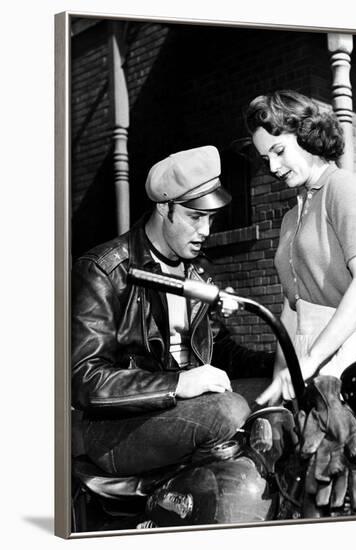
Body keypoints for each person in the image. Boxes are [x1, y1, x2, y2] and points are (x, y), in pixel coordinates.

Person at [71, 145, 273, 477]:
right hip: (117, 429)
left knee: (277, 393)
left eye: (210, 218)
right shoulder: (104, 270)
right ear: (165, 208)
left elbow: (217, 351)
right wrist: (177, 383)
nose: (206, 231)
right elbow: (84, 379)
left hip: (190, 409)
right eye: (195, 217)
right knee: (230, 410)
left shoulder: (197, 271)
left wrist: (276, 362)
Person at [244, 90, 356, 405]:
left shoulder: (342, 188)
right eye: (266, 158)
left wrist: (311, 360)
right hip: (303, 352)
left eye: (279, 151)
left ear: (306, 135)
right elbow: (290, 309)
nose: (274, 166)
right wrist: (280, 381)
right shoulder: (291, 217)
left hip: (346, 350)